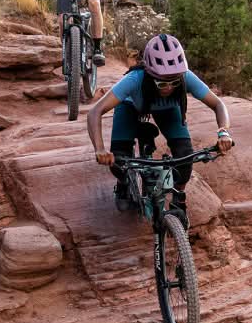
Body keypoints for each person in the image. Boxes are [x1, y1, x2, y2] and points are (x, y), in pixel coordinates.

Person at [86, 34, 234, 228]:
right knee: (119, 160)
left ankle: (178, 199)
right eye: (162, 83)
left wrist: (224, 132)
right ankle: (123, 184)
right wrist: (99, 148)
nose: (169, 88)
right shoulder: (134, 79)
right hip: (131, 107)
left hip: (168, 110)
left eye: (175, 82)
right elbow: (95, 112)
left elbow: (218, 104)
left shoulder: (185, 77)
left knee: (185, 156)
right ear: (149, 73)